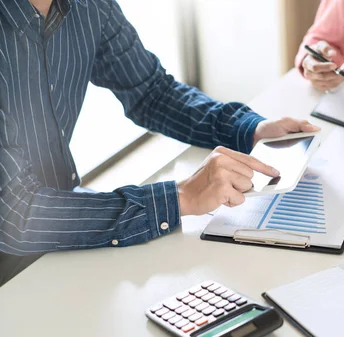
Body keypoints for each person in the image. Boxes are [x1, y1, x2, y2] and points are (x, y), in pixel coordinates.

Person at [0, 0, 319, 285]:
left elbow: (150, 92)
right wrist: (180, 196)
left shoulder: (88, 6)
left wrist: (250, 130)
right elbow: (13, 212)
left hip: (63, 225)